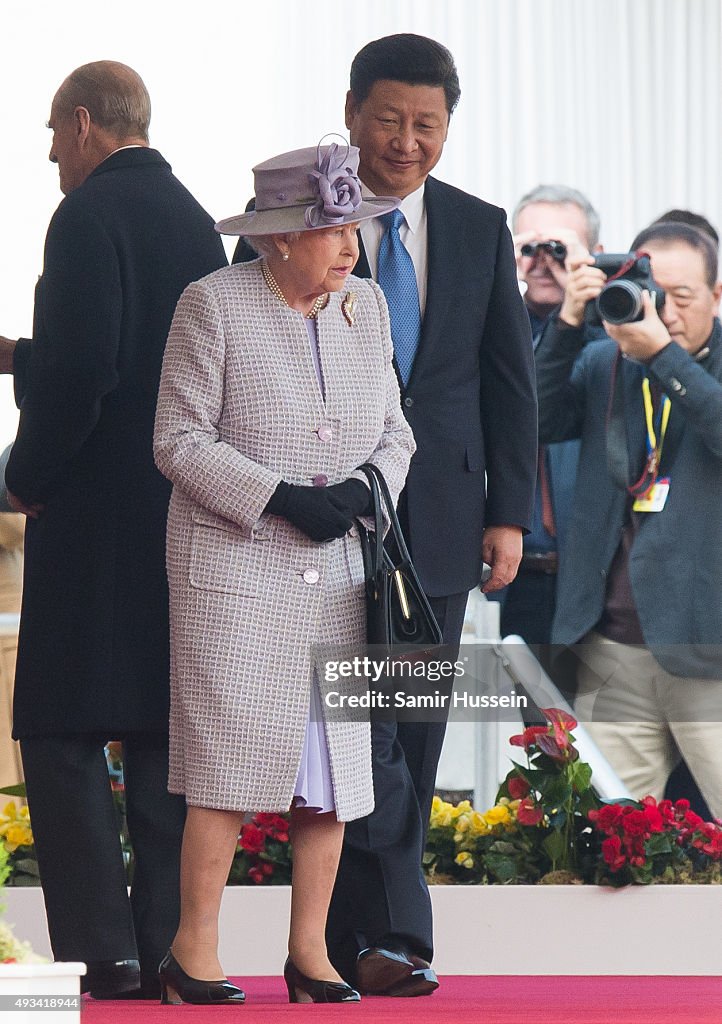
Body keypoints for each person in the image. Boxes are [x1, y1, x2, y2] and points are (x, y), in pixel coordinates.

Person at [269, 34, 533, 996]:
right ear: (351, 113)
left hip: (444, 518)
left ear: (449, 126)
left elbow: (509, 383)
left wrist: (509, 512)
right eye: (389, 119)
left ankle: (361, 941)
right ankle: (384, 939)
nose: (407, 141)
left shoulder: (478, 225)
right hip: (330, 513)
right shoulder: (300, 220)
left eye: (427, 124)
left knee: (408, 729)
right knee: (352, 724)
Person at [153, 141, 415, 1006]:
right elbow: (178, 441)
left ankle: (311, 957)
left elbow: (396, 432)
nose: (347, 244)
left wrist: (364, 490)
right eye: (328, 228)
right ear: (273, 238)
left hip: (339, 572)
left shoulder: (366, 308)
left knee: (333, 779)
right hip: (235, 572)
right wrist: (275, 497)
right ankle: (194, 954)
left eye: (352, 227)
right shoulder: (212, 305)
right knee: (225, 772)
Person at [0, 62, 227, 998]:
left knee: (57, 730)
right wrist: (23, 354)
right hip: (176, 512)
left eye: (54, 131)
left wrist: (24, 478)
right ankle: (170, 949)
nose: (51, 150)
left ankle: (105, 954)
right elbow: (142, 358)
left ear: (86, 122)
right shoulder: (194, 220)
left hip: (89, 514)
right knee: (160, 734)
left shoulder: (85, 214)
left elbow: (88, 370)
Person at [536, 220, 722, 818]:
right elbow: (532, 422)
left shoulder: (665, 359)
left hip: (708, 650)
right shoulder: (604, 363)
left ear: (718, 296)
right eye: (652, 292)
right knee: (615, 839)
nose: (663, 311)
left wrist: (664, 358)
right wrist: (568, 321)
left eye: (683, 297)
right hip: (613, 646)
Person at [500, 185, 603, 662]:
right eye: (530, 246)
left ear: (595, 254)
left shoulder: (617, 333)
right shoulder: (490, 328)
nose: (544, 261)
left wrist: (581, 311)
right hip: (505, 576)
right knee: (505, 729)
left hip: (590, 580)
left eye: (559, 248)